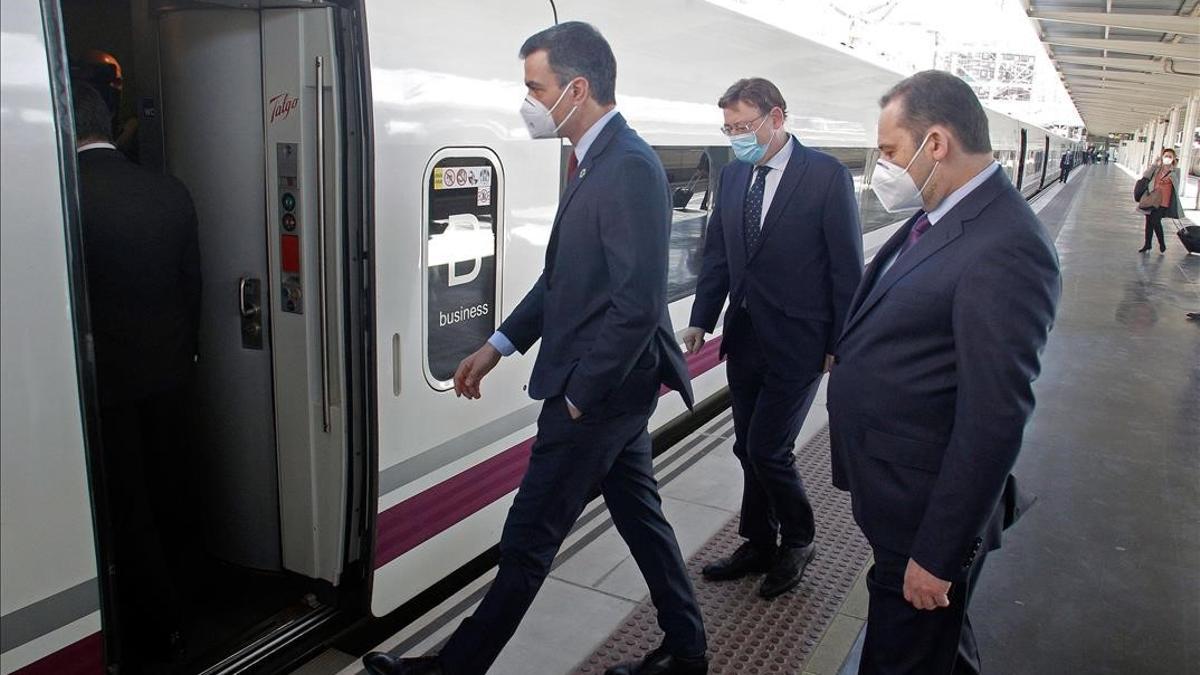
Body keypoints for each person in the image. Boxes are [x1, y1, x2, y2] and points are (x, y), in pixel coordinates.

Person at [363, 22, 707, 675]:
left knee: (527, 540)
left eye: (535, 87)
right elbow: (564, 279)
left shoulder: (628, 168)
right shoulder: (596, 160)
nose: (528, 101)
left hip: (596, 395)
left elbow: (636, 305)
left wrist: (579, 396)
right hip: (610, 395)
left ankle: (452, 668)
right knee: (641, 520)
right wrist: (498, 344)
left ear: (577, 88)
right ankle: (687, 647)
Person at [827, 70, 1061, 675]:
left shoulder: (1007, 245)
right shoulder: (939, 214)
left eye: (888, 152)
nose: (880, 168)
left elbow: (995, 416)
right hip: (898, 495)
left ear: (935, 144)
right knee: (934, 648)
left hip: (924, 514)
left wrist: (938, 554)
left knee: (901, 658)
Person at [682, 78, 863, 599]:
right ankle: (759, 542)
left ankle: (800, 539)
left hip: (801, 340)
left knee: (768, 449)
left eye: (744, 126)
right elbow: (719, 254)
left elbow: (845, 268)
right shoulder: (736, 175)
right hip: (744, 337)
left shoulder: (825, 176)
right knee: (746, 446)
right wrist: (701, 317)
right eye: (729, 128)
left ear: (777, 117)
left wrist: (840, 342)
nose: (737, 136)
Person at [74, 82, 201, 664]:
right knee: (171, 490)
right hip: (172, 371)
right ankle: (187, 610)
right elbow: (190, 286)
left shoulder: (63, 199)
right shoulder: (167, 191)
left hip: (106, 387)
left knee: (126, 507)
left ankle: (156, 628)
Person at [1138, 148, 1184, 254]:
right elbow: (1145, 176)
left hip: (1164, 201)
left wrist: (1171, 173)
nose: (1167, 158)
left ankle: (1161, 243)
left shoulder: (1176, 171)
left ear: (1173, 159)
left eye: (1170, 156)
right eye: (1166, 156)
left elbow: (1177, 186)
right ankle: (1147, 244)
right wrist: (1154, 164)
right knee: (1149, 222)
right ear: (1162, 157)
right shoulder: (1157, 169)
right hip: (1151, 199)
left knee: (1155, 221)